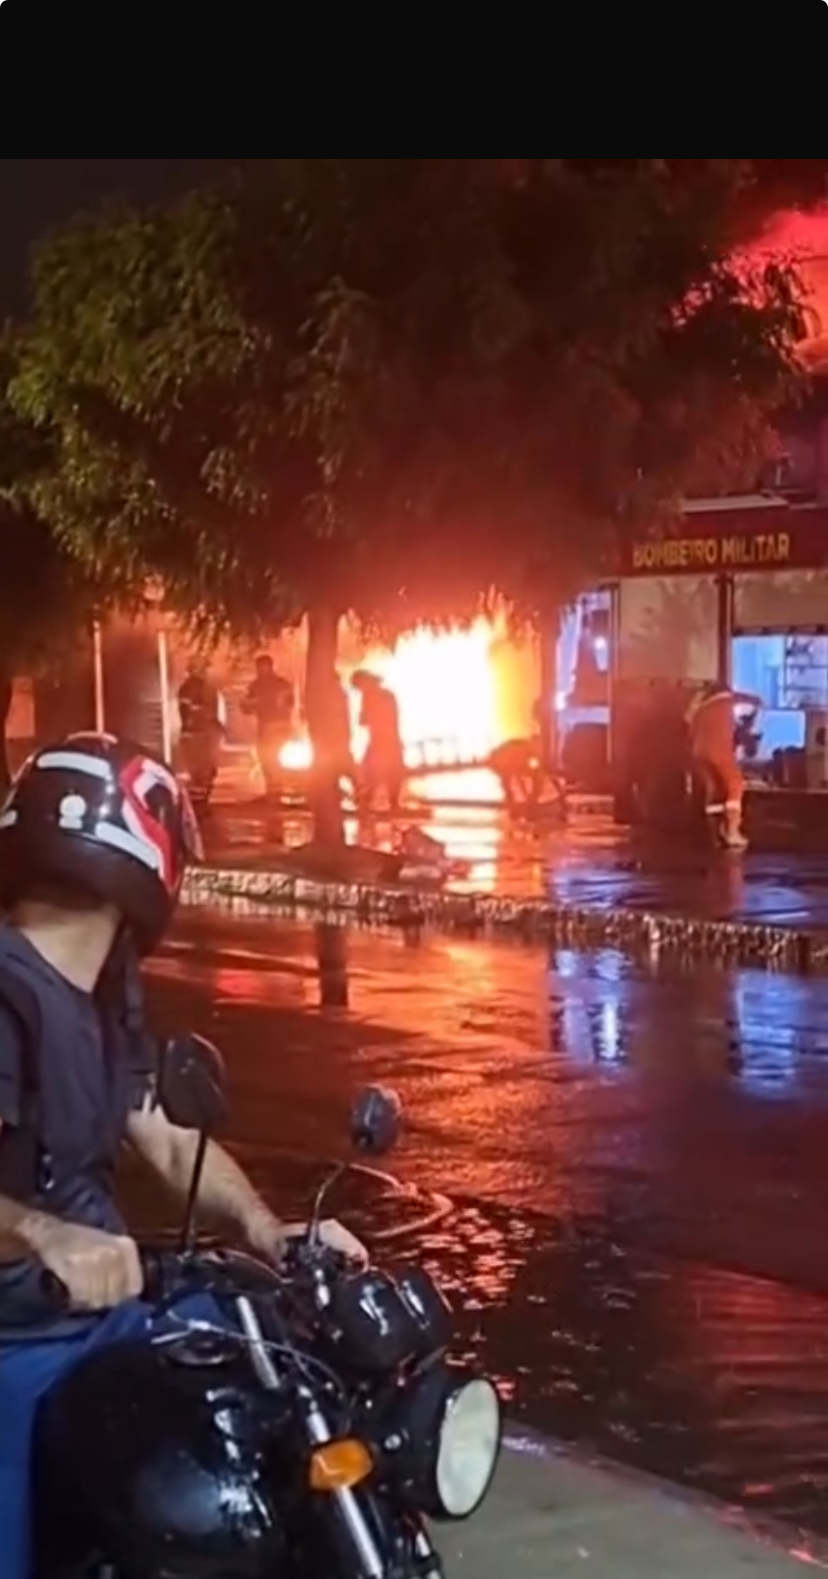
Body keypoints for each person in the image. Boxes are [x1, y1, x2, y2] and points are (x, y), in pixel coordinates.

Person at [0, 732, 365, 1579]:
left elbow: (161, 1133)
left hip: (108, 1320)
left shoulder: (105, 984)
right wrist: (45, 1235)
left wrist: (266, 1230)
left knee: (253, 1411)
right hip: (13, 1343)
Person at [686, 681, 761, 850]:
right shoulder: (724, 702)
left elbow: (690, 731)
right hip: (719, 751)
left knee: (715, 790)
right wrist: (757, 701)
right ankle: (732, 831)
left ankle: (715, 831)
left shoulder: (700, 710)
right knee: (735, 785)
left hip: (699, 754)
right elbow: (739, 698)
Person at [350, 670, 405, 813]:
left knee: (370, 772)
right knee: (391, 772)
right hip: (391, 738)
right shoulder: (388, 695)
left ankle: (366, 802)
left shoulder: (370, 697)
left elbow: (363, 720)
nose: (359, 690)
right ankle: (393, 804)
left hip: (379, 740)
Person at [241, 654, 294, 797]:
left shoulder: (261, 685)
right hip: (272, 725)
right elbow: (245, 707)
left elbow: (290, 703)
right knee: (268, 757)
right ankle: (274, 788)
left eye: (262, 667)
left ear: (269, 667)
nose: (260, 670)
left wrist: (257, 704)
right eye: (258, 668)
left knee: (270, 757)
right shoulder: (265, 685)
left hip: (274, 725)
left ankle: (275, 788)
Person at [176, 658, 223, 804]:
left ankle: (201, 799)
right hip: (195, 733)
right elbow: (185, 710)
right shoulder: (188, 688)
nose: (204, 672)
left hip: (205, 732)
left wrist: (216, 726)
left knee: (207, 769)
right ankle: (198, 801)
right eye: (201, 669)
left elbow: (212, 711)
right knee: (199, 769)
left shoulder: (208, 688)